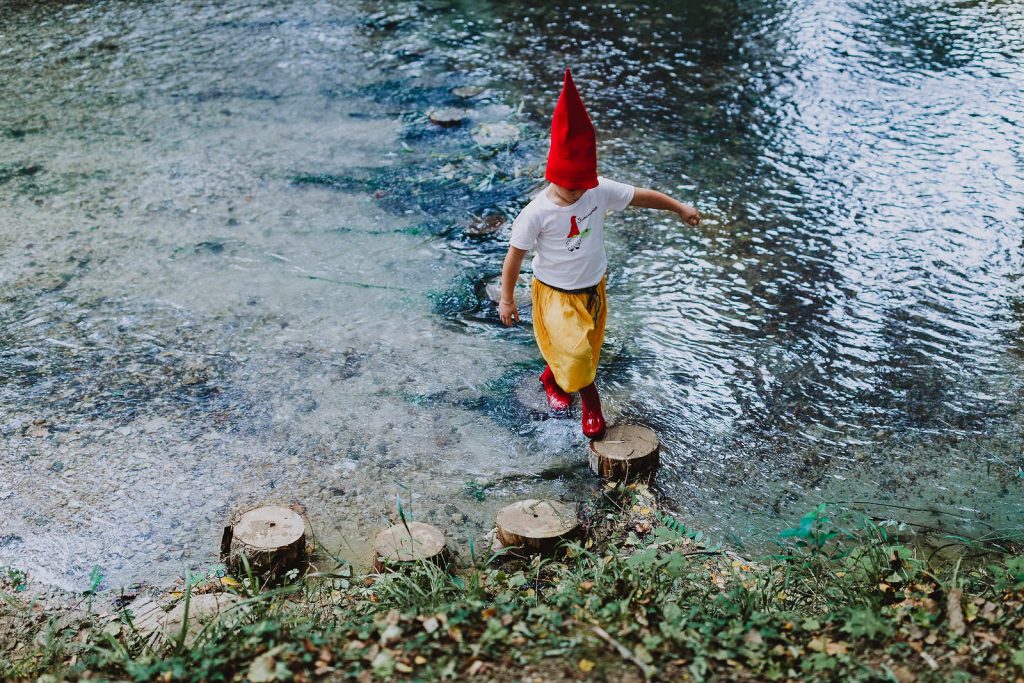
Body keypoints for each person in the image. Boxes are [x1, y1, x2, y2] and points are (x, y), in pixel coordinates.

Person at [498, 68, 700, 440]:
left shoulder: (596, 190)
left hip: (593, 288)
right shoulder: (536, 213)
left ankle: (548, 376)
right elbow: (514, 257)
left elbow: (641, 196)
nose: (578, 194)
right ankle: (588, 402)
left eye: (583, 186)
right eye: (570, 187)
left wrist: (679, 207)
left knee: (587, 351)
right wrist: (508, 300)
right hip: (556, 294)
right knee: (576, 357)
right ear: (553, 175)